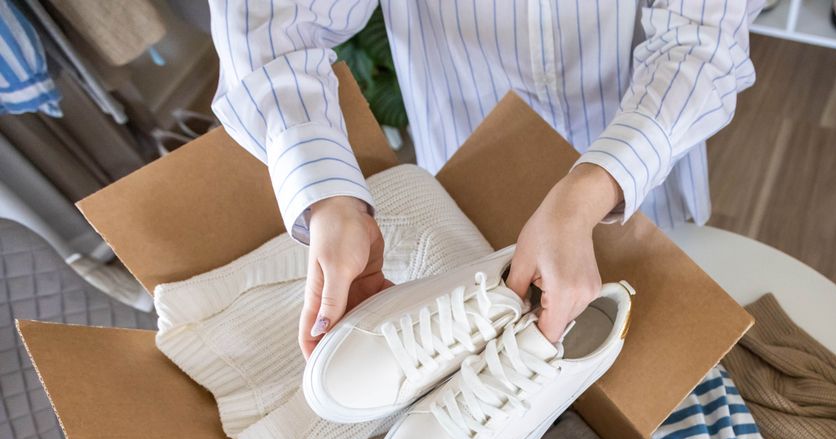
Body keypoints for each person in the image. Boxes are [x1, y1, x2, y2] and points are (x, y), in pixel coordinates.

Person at [210, 1, 761, 355]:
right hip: (464, 161)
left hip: (642, 160)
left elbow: (702, 43)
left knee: (660, 347)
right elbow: (269, 22)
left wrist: (586, 194)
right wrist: (330, 200)